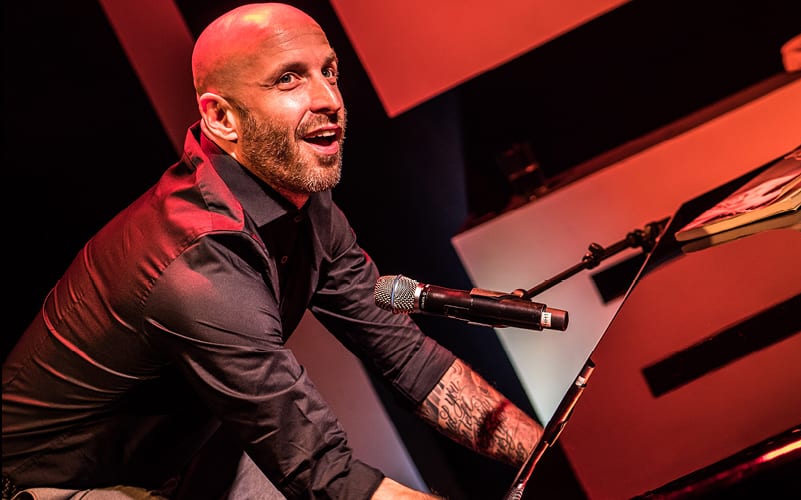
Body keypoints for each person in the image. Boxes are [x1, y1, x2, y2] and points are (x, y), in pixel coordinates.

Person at [1, 3, 543, 499]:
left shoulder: (311, 210)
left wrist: (541, 452)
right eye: (290, 78)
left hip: (173, 460)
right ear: (221, 119)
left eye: (328, 71)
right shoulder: (194, 262)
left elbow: (407, 357)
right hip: (55, 487)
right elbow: (323, 474)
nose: (329, 99)